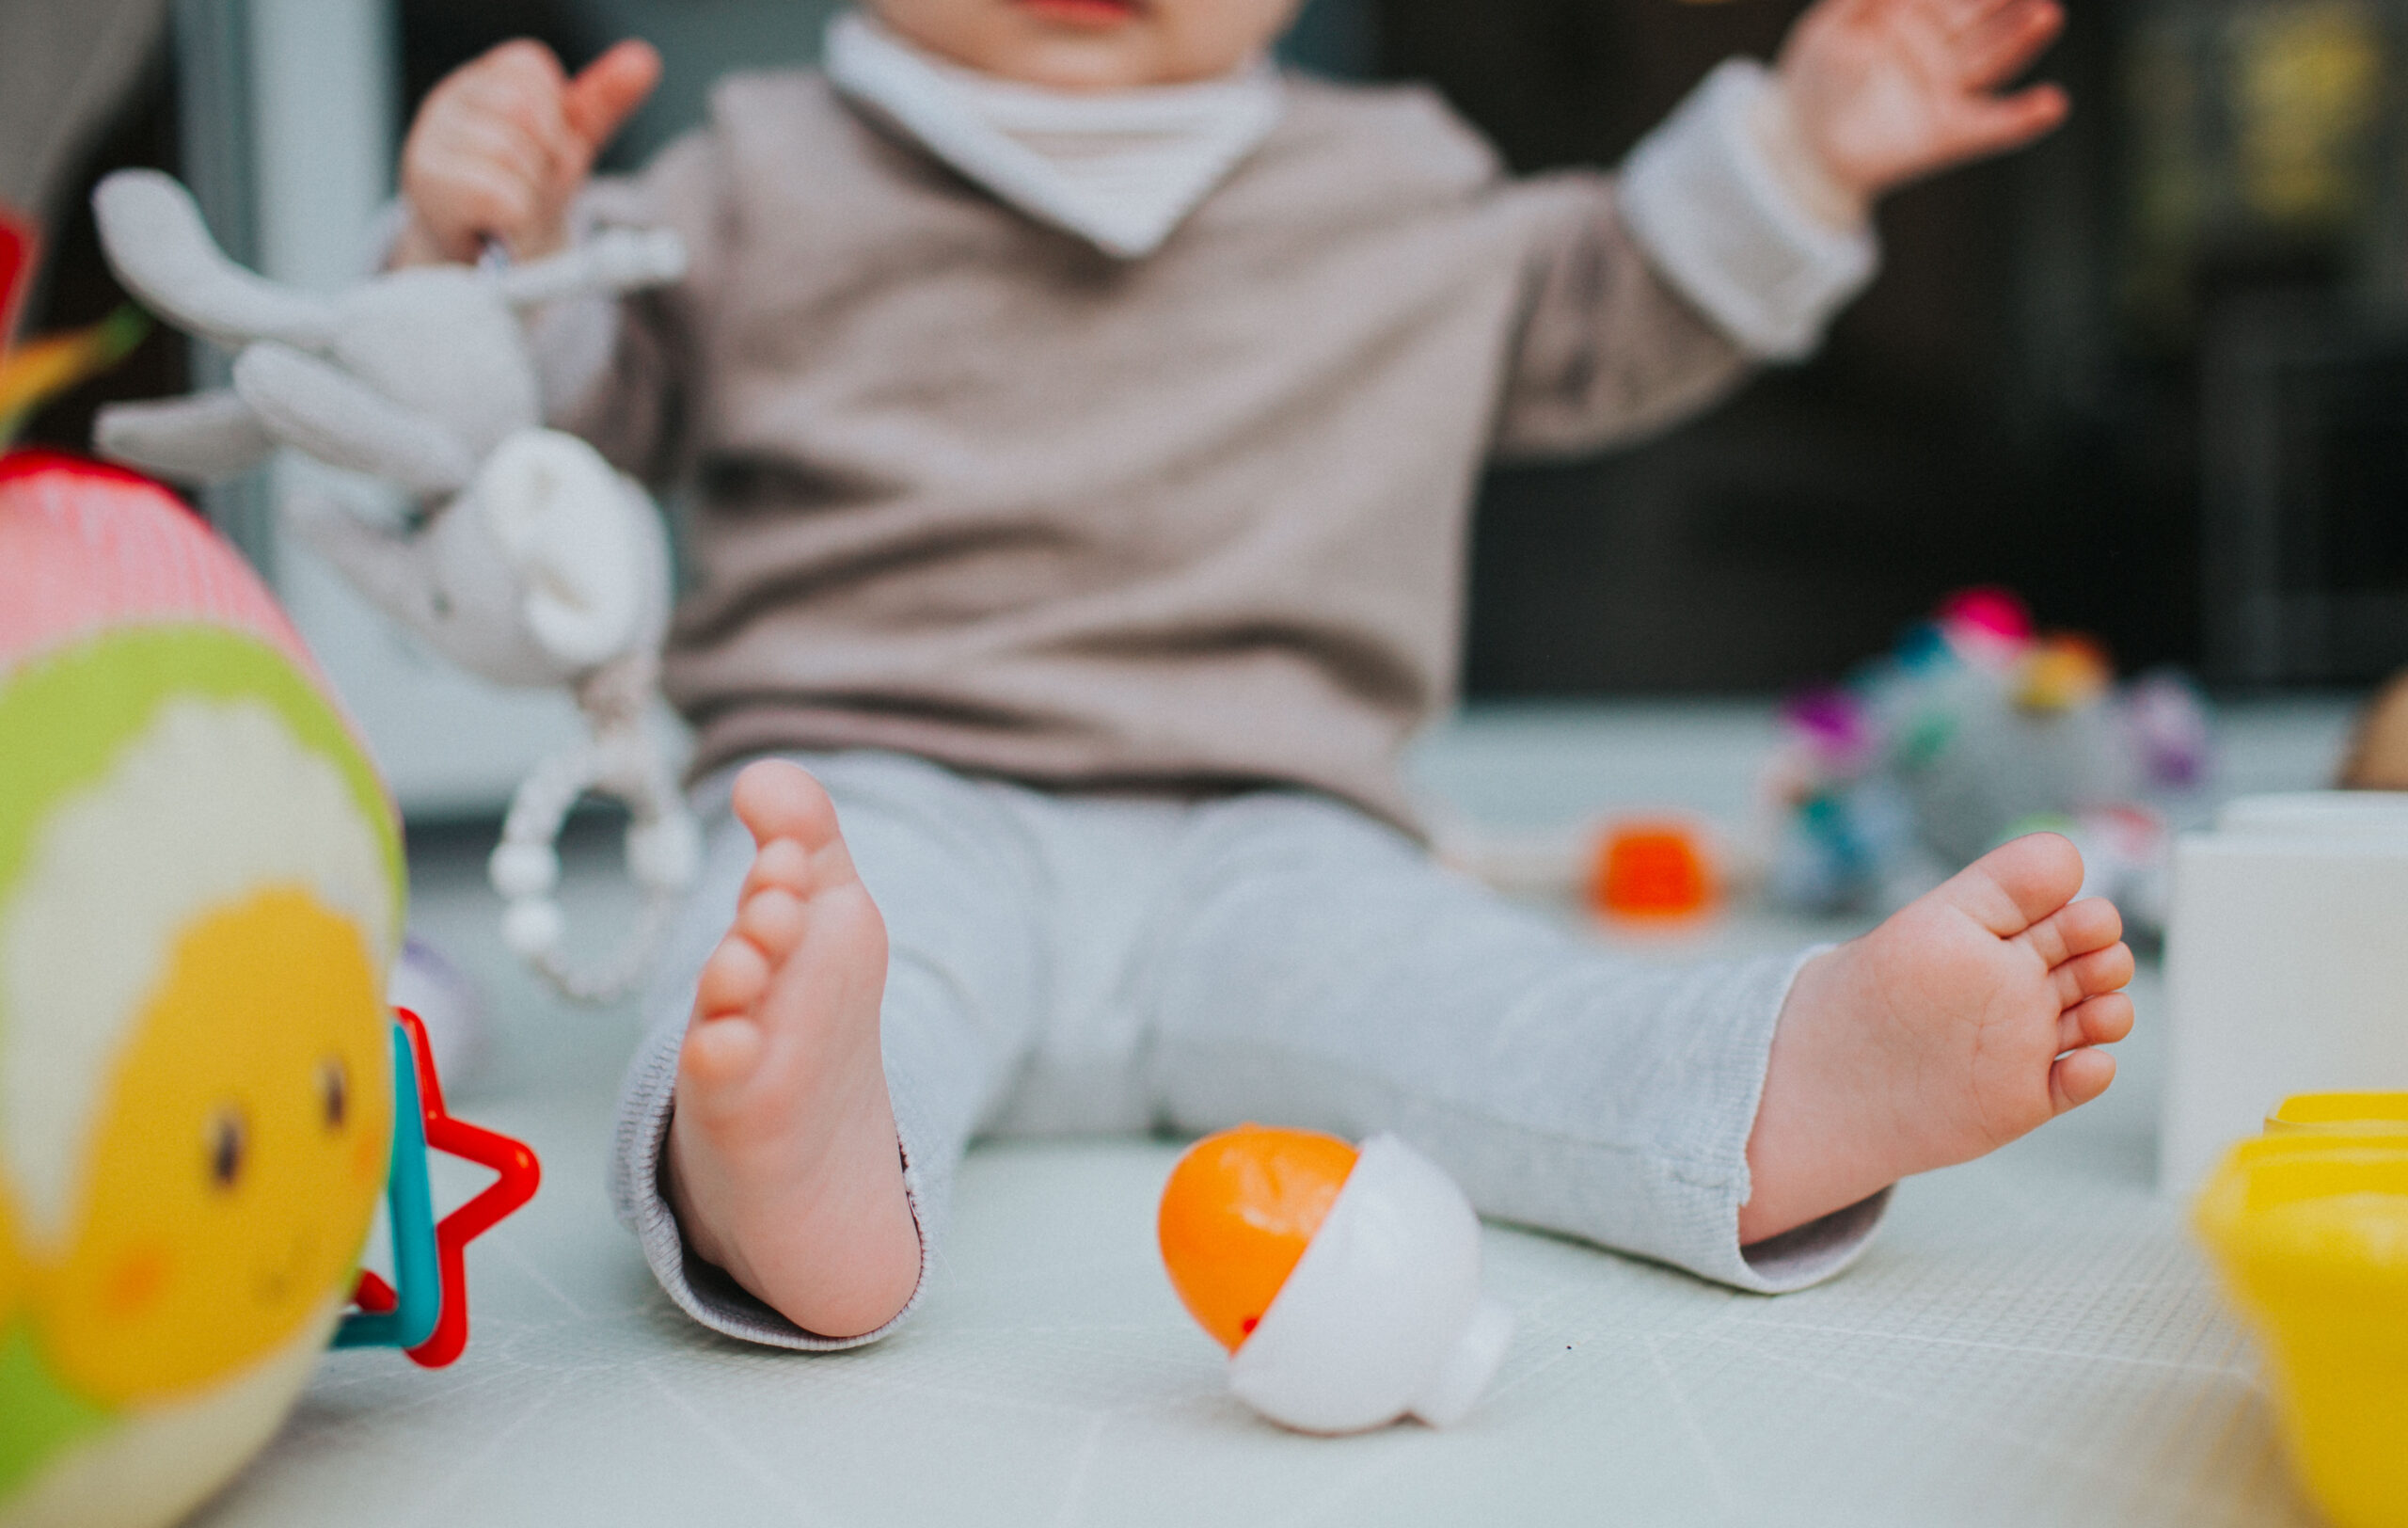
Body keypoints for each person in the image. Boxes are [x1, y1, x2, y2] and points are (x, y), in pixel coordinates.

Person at [393, 0, 2131, 1350]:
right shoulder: (750, 169)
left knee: (1489, 1012)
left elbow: (1608, 296)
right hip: (876, 808)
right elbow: (528, 410)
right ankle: (793, 1177)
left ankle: (1774, 1082)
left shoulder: (1394, 177)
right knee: (760, 966)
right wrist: (477, 255)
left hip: (1281, 837)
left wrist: (1802, 155)